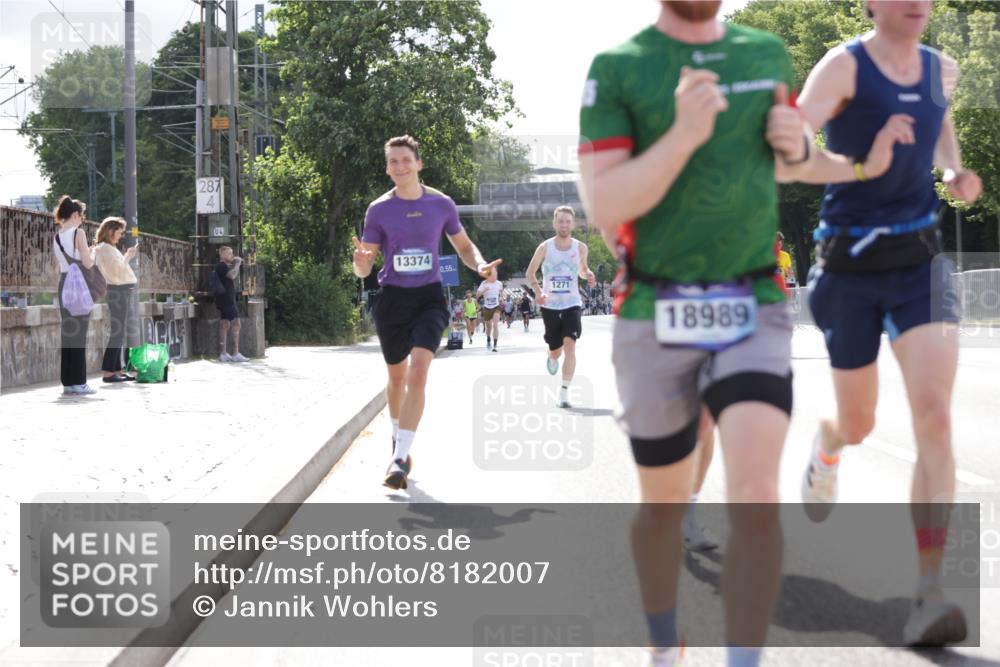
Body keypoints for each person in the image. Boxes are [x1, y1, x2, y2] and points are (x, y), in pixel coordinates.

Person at [576, 0, 902, 662]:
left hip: (751, 300)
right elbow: (605, 203)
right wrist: (682, 135)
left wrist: (817, 152)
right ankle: (666, 644)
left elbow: (783, 164)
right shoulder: (618, 70)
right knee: (663, 506)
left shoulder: (765, 54)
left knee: (755, 491)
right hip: (653, 306)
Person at [795, 0, 981, 646]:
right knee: (861, 420)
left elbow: (941, 124)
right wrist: (863, 165)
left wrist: (952, 168)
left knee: (934, 413)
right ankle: (829, 441)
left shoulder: (943, 69)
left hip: (920, 259)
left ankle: (928, 590)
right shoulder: (840, 69)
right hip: (848, 263)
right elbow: (788, 152)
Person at [353, 134, 500, 490]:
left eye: (406, 160)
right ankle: (396, 436)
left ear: (419, 163)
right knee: (396, 378)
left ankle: (400, 458)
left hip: (429, 299)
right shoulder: (379, 209)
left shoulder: (442, 204)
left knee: (419, 372)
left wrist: (479, 265)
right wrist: (360, 264)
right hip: (392, 300)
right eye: (393, 162)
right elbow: (364, 266)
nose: (399, 166)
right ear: (388, 169)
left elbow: (464, 247)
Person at [525, 205, 596, 409]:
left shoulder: (581, 248)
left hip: (572, 303)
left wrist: (588, 274)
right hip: (550, 306)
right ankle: (551, 355)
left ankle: (564, 391)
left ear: (572, 224)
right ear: (554, 223)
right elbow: (530, 273)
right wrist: (538, 292)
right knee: (556, 350)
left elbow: (582, 271)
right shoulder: (545, 247)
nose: (564, 224)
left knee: (570, 344)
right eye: (560, 221)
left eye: (567, 221)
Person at [52, 195, 97, 396]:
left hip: (64, 285)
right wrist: (92, 253)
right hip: (78, 286)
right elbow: (87, 263)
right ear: (76, 214)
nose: (83, 219)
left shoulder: (57, 236)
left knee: (68, 333)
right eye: (82, 215)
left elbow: (65, 262)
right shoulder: (78, 233)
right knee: (80, 334)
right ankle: (80, 382)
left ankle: (68, 383)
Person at [93, 217, 139, 382]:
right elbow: (118, 271)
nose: (120, 236)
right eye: (119, 232)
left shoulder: (106, 248)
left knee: (119, 331)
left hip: (117, 291)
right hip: (117, 291)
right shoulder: (106, 248)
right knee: (117, 332)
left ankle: (116, 369)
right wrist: (128, 255)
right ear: (111, 231)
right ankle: (108, 372)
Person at [215, 246, 248, 363]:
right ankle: (235, 353)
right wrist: (237, 264)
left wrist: (235, 264)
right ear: (223, 254)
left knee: (225, 324)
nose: (232, 256)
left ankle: (223, 354)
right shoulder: (222, 265)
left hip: (224, 299)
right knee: (236, 323)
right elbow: (232, 275)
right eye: (229, 254)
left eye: (232, 253)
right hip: (227, 300)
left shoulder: (222, 266)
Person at [477, 268, 503, 352]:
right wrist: (485, 290)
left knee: (495, 324)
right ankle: (488, 339)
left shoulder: (499, 283)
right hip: (487, 308)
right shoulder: (484, 283)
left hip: (496, 306)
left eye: (496, 272)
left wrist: (501, 297)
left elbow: (501, 292)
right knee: (488, 327)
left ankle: (495, 345)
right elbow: (477, 295)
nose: (495, 274)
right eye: (494, 273)